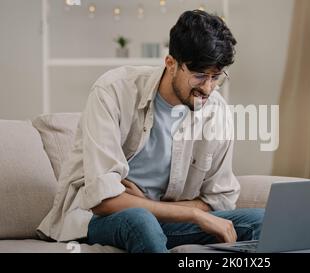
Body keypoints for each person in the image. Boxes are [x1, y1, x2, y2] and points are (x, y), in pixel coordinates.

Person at [37, 10, 264, 253]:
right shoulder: (113, 91)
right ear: (171, 64)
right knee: (140, 219)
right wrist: (193, 214)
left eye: (216, 77)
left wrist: (150, 204)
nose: (208, 88)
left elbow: (219, 200)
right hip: (98, 219)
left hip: (167, 221)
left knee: (264, 221)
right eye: (199, 76)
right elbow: (103, 201)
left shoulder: (216, 111)